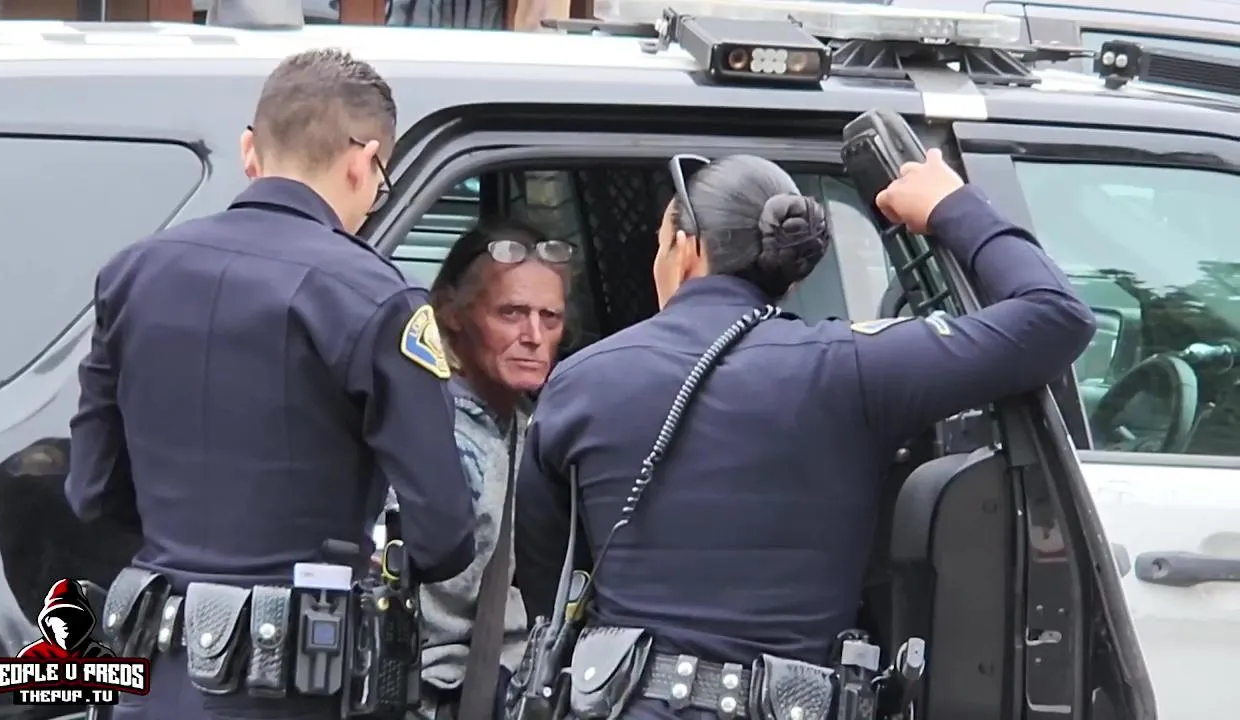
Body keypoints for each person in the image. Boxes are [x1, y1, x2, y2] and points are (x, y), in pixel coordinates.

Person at [513, 151, 1096, 719]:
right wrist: (952, 205)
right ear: (790, 277)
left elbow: (549, 581)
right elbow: (1055, 316)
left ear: (686, 248)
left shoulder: (578, 381)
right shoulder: (851, 367)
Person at [65, 48, 477, 719]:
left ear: (249, 151)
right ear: (364, 161)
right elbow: (444, 534)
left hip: (153, 672)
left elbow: (92, 489)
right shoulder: (375, 297)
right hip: (292, 680)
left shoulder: (132, 273)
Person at [411, 219, 572, 720]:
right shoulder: (435, 433)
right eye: (511, 313)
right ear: (452, 313)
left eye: (550, 317)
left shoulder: (531, 425)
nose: (534, 336)